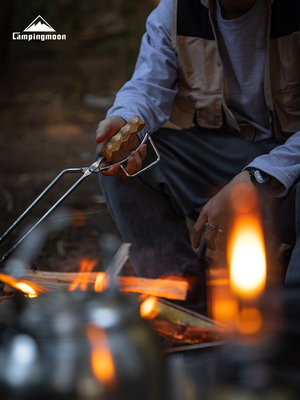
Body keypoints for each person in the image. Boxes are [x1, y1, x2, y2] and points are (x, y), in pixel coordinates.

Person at [95, 0, 300, 299]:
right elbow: (148, 85)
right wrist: (126, 120)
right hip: (216, 159)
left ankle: (292, 323)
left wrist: (258, 177)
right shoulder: (176, 12)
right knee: (123, 164)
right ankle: (182, 307)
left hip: (290, 167)